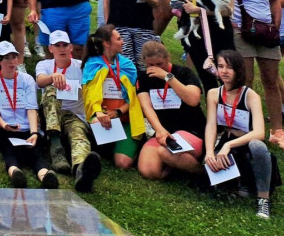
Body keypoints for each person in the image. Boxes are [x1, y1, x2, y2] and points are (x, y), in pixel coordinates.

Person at [215, 0, 284, 151]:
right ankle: (244, 130)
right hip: (241, 30)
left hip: (266, 29)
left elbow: (274, 0)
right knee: (244, 81)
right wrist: (230, 24)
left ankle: (277, 131)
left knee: (271, 81)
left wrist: (275, 26)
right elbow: (220, 2)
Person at [204, 50, 275, 219]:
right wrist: (209, 152)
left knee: (258, 147)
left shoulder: (250, 96)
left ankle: (263, 200)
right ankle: (237, 185)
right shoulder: (214, 94)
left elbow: (259, 133)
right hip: (226, 140)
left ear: (238, 70)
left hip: (246, 142)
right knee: (207, 165)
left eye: (229, 67)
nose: (224, 71)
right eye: (220, 66)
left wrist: (228, 145)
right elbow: (211, 125)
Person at [35, 30, 101, 192]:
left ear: (71, 47)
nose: (61, 49)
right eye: (57, 46)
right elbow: (40, 81)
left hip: (74, 115)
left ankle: (81, 170)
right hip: (51, 116)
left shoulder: (81, 66)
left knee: (79, 136)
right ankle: (56, 148)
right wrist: (53, 77)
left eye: (65, 45)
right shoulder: (44, 65)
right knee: (51, 90)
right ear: (51, 48)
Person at [0, 41, 58, 188]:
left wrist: (34, 132)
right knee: (8, 150)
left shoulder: (27, 79)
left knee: (36, 151)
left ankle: (45, 176)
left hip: (26, 127)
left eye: (14, 57)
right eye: (7, 58)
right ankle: (15, 173)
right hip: (4, 128)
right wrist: (5, 125)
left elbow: (31, 109)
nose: (12, 61)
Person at [135, 40, 206, 181]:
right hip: (164, 132)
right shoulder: (143, 77)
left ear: (167, 59)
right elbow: (146, 106)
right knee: (149, 171)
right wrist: (159, 130)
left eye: (159, 64)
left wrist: (167, 77)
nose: (155, 68)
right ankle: (178, 167)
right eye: (151, 64)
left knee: (166, 151)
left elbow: (193, 100)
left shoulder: (184, 73)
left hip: (191, 130)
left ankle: (203, 174)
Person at [169, 0, 235, 90]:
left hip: (219, 32)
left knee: (227, 76)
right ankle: (213, 109)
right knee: (206, 77)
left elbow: (229, 10)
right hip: (196, 34)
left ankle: (230, 110)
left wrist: (201, 10)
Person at [83, 25, 143, 169]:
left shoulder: (128, 66)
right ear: (106, 43)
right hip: (102, 119)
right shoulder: (92, 64)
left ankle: (129, 148)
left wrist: (117, 112)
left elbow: (134, 98)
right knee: (97, 122)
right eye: (119, 39)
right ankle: (107, 147)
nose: (123, 42)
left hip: (125, 119)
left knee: (122, 164)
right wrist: (99, 112)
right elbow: (89, 95)